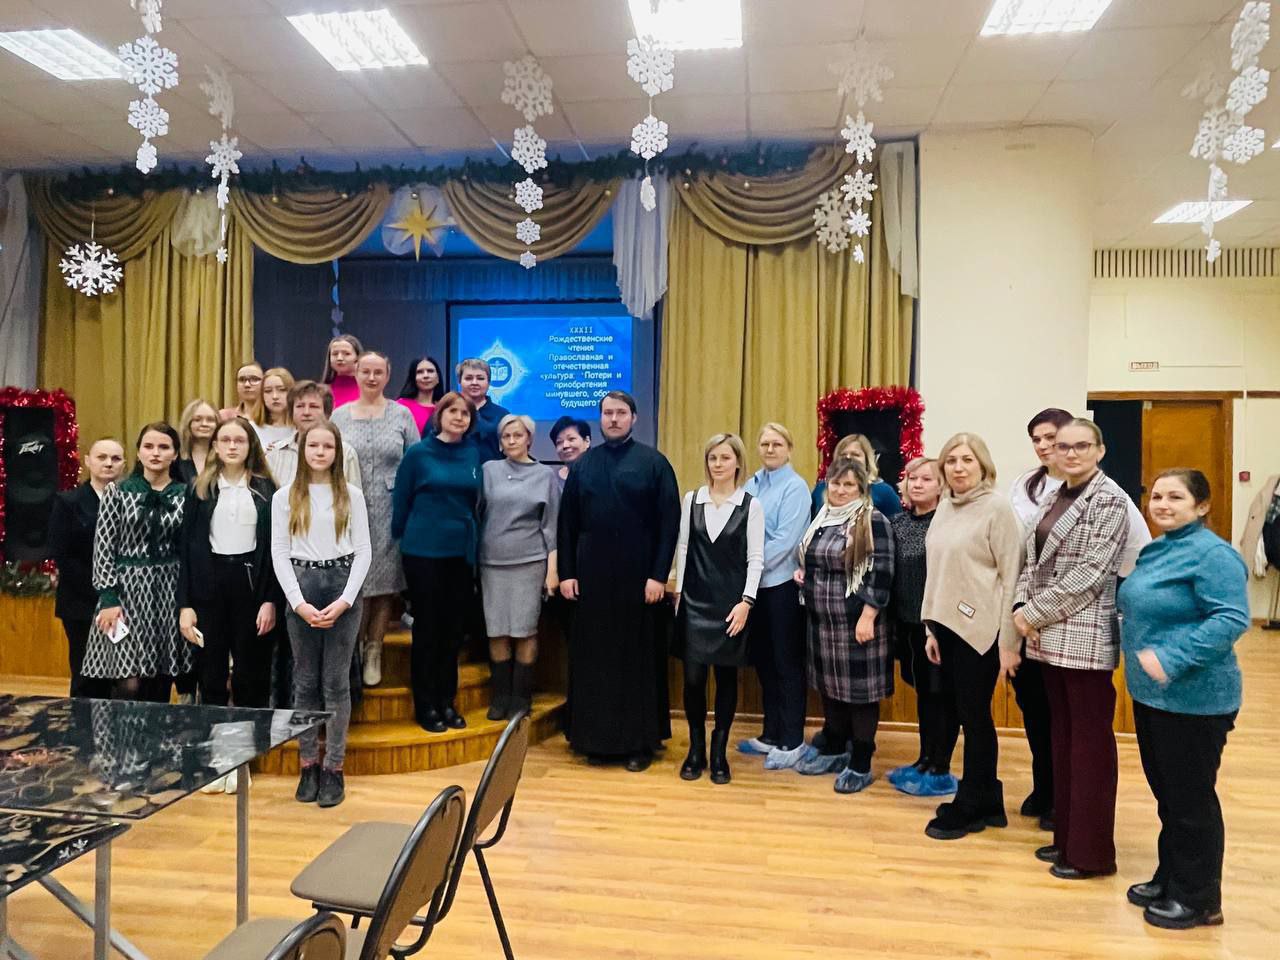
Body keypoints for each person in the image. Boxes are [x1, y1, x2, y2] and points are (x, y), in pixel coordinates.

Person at [1118, 469, 1250, 930]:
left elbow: (1231, 618)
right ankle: (1172, 876)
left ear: (1202, 505)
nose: (1163, 505)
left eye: (1176, 497)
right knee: (1169, 797)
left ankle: (1200, 900)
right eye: (1157, 496)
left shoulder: (1214, 555)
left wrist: (1172, 658)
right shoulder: (1158, 549)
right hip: (1153, 696)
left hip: (1196, 699)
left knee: (1191, 801)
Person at [1008, 407, 1151, 831]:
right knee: (1055, 732)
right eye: (1054, 444)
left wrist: (1031, 613)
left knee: (1085, 742)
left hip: (1080, 632)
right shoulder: (1045, 492)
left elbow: (1095, 572)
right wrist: (1020, 608)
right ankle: (1061, 822)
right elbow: (1029, 559)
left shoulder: (1109, 498)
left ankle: (1085, 842)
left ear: (1098, 449)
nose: (1059, 450)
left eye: (1076, 445)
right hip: (1041, 632)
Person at [557, 391, 680, 771]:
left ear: (633, 417)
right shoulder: (583, 466)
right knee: (595, 660)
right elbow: (567, 524)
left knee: (636, 661)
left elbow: (669, 525)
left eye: (620, 412)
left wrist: (658, 576)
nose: (613, 418)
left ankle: (639, 743)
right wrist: (567, 573)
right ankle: (595, 740)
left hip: (639, 580)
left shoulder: (654, 464)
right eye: (607, 413)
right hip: (591, 578)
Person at [919, 433, 1024, 839]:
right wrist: (931, 627)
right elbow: (938, 569)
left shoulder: (997, 508)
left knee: (975, 718)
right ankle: (990, 800)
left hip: (981, 631)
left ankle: (971, 804)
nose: (958, 467)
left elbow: (1012, 577)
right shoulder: (946, 505)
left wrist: (1009, 643)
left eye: (967, 460)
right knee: (963, 713)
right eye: (951, 460)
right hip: (946, 627)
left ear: (983, 465)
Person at [176, 417, 279, 794]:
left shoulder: (266, 489)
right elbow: (187, 549)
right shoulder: (200, 488)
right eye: (226, 440)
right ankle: (218, 758)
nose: (232, 446)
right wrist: (185, 605)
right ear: (216, 446)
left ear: (251, 446)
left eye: (240, 440)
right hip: (209, 588)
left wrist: (269, 599)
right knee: (212, 676)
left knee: (250, 676)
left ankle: (241, 759)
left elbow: (275, 550)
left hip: (250, 586)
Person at [271, 421, 371, 808]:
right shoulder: (284, 496)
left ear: (337, 452)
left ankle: (334, 767)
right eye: (313, 445)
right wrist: (298, 603)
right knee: (305, 682)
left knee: (335, 682)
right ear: (303, 450)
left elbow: (363, 551)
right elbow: (280, 552)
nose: (319, 452)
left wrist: (346, 599)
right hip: (302, 585)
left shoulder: (352, 495)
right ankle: (308, 764)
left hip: (342, 585)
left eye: (327, 446)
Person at [789, 458, 894, 794]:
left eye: (849, 485)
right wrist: (803, 573)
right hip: (822, 623)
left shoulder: (872, 520)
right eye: (835, 483)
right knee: (830, 688)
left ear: (861, 488)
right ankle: (834, 747)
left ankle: (861, 761)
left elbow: (882, 572)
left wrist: (868, 616)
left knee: (861, 695)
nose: (841, 490)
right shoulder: (823, 518)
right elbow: (813, 559)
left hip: (856, 623)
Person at [673, 433, 763, 785]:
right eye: (713, 458)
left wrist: (746, 602)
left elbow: (756, 559)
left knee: (726, 679)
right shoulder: (692, 499)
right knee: (693, 679)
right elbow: (683, 548)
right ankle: (695, 748)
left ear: (738, 462)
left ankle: (719, 751)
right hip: (694, 603)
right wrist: (679, 594)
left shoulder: (750, 505)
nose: (718, 464)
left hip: (731, 606)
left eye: (725, 458)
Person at [81, 422, 193, 703]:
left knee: (161, 677)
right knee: (128, 681)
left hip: (169, 590)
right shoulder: (117, 491)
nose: (155, 453)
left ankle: (156, 731)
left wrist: (187, 600)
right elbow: (104, 546)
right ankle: (120, 731)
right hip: (126, 591)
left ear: (175, 454)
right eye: (149, 446)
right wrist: (108, 597)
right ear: (139, 452)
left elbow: (190, 550)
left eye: (163, 447)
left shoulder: (186, 494)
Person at [393, 392, 483, 732]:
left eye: (465, 413)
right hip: (423, 552)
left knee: (453, 632)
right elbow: (401, 502)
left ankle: (447, 701)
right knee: (428, 630)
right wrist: (402, 541)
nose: (459, 417)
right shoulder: (418, 453)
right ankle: (426, 704)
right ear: (439, 415)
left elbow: (475, 502)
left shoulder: (472, 453)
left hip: (460, 553)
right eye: (452, 411)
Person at [332, 352, 419, 687]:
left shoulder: (402, 414)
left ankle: (374, 650)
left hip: (389, 508)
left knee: (383, 584)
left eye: (378, 372)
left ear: (387, 375)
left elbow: (415, 461)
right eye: (365, 371)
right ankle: (352, 650)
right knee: (355, 581)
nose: (371, 377)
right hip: (348, 507)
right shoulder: (340, 415)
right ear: (356, 374)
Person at [738, 423, 811, 769]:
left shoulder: (796, 487)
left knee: (786, 663)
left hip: (781, 586)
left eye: (777, 444)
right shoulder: (751, 484)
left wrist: (750, 567)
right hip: (755, 588)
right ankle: (771, 733)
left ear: (789, 449)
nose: (770, 449)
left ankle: (792, 739)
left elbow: (786, 541)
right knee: (765, 662)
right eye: (765, 443)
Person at [885, 456, 959, 797]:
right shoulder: (897, 522)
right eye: (912, 478)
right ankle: (924, 758)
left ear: (941, 485)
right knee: (924, 693)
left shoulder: (948, 522)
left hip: (939, 626)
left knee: (941, 694)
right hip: (906, 623)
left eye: (926, 479)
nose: (917, 484)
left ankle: (940, 765)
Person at [479, 414, 560, 721]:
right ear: (500, 442)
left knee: (524, 631)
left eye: (518, 435)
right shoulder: (488, 470)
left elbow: (551, 526)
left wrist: (552, 571)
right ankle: (500, 696)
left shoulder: (545, 475)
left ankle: (521, 697)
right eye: (506, 436)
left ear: (529, 439)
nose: (512, 440)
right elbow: (478, 513)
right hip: (492, 563)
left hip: (529, 563)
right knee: (497, 631)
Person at [48, 438, 125, 699]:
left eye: (115, 458)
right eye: (102, 457)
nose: (108, 463)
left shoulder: (130, 501)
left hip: (123, 602)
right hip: (81, 602)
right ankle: (83, 725)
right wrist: (101, 594)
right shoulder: (68, 501)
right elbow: (62, 555)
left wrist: (116, 595)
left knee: (122, 677)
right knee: (86, 675)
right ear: (88, 461)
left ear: (124, 464)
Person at [265, 380, 362, 488]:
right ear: (292, 412)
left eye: (314, 406)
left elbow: (354, 495)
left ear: (327, 413)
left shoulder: (346, 453)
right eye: (300, 406)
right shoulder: (275, 452)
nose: (306, 412)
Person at [811, 433, 903, 519]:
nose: (848, 458)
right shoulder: (821, 488)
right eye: (843, 454)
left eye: (855, 455)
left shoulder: (883, 491)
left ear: (867, 460)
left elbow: (899, 526)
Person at [456, 357, 510, 463]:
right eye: (468, 378)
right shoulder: (447, 412)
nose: (474, 382)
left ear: (489, 382)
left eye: (480, 378)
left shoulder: (503, 415)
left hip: (493, 472)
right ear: (459, 381)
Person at [396, 355, 444, 436]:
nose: (426, 376)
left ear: (438, 378)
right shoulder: (401, 406)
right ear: (413, 378)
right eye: (420, 372)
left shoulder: (445, 408)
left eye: (430, 371)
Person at [176, 398, 219, 484]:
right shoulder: (175, 458)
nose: (204, 424)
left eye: (210, 420)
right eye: (197, 420)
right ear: (188, 423)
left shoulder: (224, 458)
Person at [257, 367, 296, 448]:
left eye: (282, 390)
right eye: (268, 391)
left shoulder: (300, 430)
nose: (275, 396)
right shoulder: (251, 428)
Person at [550, 416, 592, 491]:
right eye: (559, 442)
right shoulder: (551, 477)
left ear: (587, 441)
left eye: (571, 439)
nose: (565, 445)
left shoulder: (602, 474)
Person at [321, 333, 362, 410]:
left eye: (346, 354)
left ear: (357, 357)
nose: (339, 358)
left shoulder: (369, 389)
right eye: (335, 354)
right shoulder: (320, 392)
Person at [220, 361, 265, 425]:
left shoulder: (274, 417)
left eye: (254, 379)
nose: (247, 385)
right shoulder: (224, 416)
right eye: (242, 379)